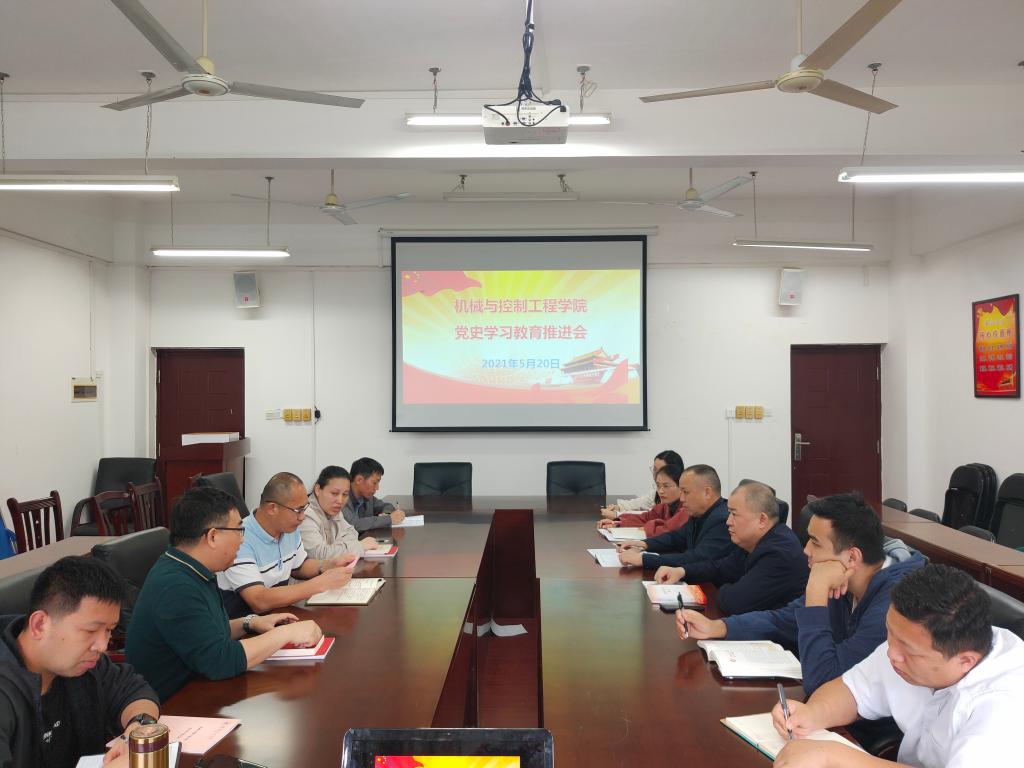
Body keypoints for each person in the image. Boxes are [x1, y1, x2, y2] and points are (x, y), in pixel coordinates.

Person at [770, 564, 1024, 768]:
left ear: (965, 661)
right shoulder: (911, 641)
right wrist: (813, 713)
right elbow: (853, 690)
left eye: (907, 651)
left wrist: (833, 756)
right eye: (889, 633)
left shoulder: (1004, 705)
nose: (891, 654)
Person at [678, 492, 926, 695]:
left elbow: (825, 680)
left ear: (852, 557)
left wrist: (816, 590)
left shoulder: (895, 605)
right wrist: (718, 627)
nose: (805, 550)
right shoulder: (844, 579)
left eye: (815, 542)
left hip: (865, 732)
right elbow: (785, 620)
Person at [127, 486, 327, 701]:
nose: (242, 540)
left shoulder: (193, 567)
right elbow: (220, 661)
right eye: (239, 530)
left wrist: (250, 622)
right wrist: (286, 634)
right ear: (213, 536)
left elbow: (206, 632)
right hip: (173, 704)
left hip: (201, 687)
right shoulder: (176, 587)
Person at [0, 556, 160, 767]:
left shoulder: (82, 664)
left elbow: (134, 690)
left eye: (109, 630)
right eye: (91, 631)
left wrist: (137, 729)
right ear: (39, 625)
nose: (102, 645)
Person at [217, 472, 359, 618]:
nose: (302, 517)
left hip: (277, 615)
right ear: (272, 508)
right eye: (298, 510)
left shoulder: (289, 528)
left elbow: (299, 567)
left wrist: (328, 565)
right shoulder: (240, 538)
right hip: (244, 623)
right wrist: (320, 584)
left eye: (305, 509)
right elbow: (258, 600)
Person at [653, 481, 807, 615]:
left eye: (734, 514)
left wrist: (727, 586)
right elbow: (720, 568)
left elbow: (734, 603)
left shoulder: (778, 553)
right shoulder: (752, 540)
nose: (728, 521)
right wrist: (682, 571)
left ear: (762, 520)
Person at [617, 464, 736, 570]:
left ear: (707, 493)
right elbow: (676, 537)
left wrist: (643, 559)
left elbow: (696, 558)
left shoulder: (722, 520)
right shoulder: (699, 512)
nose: (682, 498)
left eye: (686, 492)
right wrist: (643, 544)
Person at [300, 466, 380, 559]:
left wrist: (336, 549)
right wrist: (359, 546)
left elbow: (351, 533)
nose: (340, 501)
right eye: (334, 493)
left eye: (345, 494)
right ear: (317, 490)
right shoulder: (305, 515)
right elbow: (320, 554)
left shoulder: (333, 510)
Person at [598, 463, 689, 538]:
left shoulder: (686, 508)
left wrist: (647, 528)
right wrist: (617, 522)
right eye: (658, 486)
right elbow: (644, 518)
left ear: (680, 487)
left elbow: (667, 530)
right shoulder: (664, 506)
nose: (660, 491)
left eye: (666, 486)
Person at [601, 449, 683, 518]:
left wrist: (617, 516)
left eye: (661, 470)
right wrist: (619, 507)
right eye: (654, 469)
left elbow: (651, 517)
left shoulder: (682, 505)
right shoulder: (658, 491)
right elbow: (641, 503)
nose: (656, 474)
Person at [342, 457, 406, 532]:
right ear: (359, 480)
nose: (377, 488)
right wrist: (388, 519)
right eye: (374, 483)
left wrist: (386, 514)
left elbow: (387, 506)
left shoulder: (368, 498)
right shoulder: (342, 498)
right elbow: (354, 524)